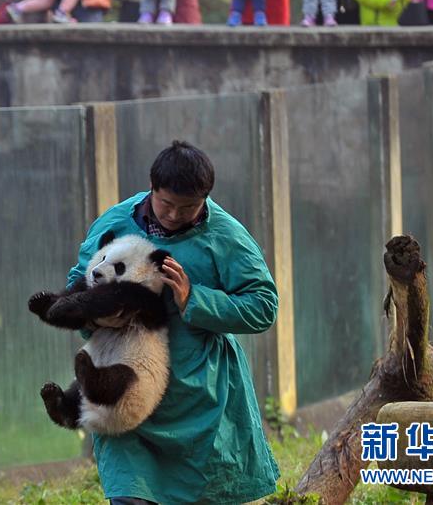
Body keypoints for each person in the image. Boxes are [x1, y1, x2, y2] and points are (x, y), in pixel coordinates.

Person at [66, 140, 279, 504]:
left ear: (206, 198)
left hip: (200, 400)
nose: (174, 215)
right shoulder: (116, 223)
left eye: (188, 207)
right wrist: (99, 315)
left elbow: (263, 305)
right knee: (129, 497)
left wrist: (194, 299)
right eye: (166, 203)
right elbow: (77, 286)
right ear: (152, 188)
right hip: (126, 391)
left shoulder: (226, 235)